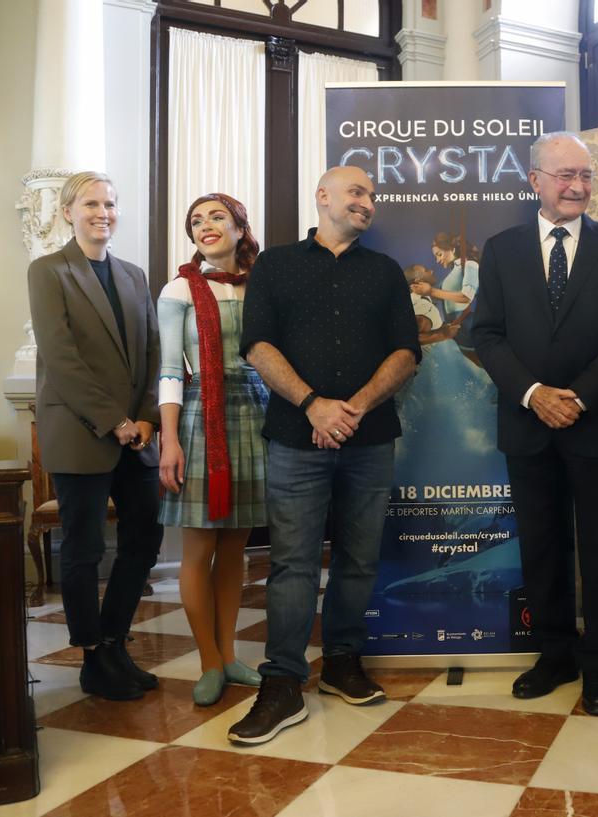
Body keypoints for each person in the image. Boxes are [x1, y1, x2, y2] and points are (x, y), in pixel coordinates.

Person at [227, 166, 420, 745]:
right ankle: (283, 684)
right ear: (323, 197)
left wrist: (353, 407)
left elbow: (408, 352)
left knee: (359, 560)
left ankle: (341, 663)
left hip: (370, 438)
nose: (367, 203)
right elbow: (257, 346)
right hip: (295, 436)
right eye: (357, 192)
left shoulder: (385, 273)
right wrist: (314, 405)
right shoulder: (276, 266)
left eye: (372, 196)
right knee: (292, 564)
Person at [472, 131, 598, 717]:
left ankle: (597, 662)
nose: (578, 186)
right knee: (542, 546)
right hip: (527, 424)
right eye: (565, 175)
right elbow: (485, 334)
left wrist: (579, 397)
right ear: (535, 180)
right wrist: (533, 393)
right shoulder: (500, 249)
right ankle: (554, 654)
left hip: (594, 424)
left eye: (586, 176)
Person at [27, 171, 163, 701]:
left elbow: (153, 351)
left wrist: (147, 417)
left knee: (143, 540)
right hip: (83, 432)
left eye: (109, 203)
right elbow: (62, 360)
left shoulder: (132, 274)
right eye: (90, 203)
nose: (102, 212)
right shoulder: (48, 271)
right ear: (68, 212)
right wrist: (116, 421)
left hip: (138, 436)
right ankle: (90, 656)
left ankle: (113, 640)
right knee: (83, 550)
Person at [157, 193, 267, 706]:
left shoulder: (262, 284)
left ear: (240, 227)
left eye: (216, 217)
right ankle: (206, 662)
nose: (206, 226)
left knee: (236, 545)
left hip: (256, 412)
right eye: (197, 221)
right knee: (200, 547)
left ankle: (228, 654)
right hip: (203, 413)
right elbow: (169, 371)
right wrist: (171, 440)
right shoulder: (179, 287)